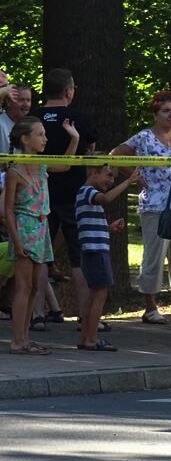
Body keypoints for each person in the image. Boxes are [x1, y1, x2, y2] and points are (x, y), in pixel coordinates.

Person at [3, 115, 79, 355]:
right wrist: (16, 240)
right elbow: (7, 210)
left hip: (41, 228)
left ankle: (25, 338)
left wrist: (74, 138)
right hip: (25, 228)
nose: (45, 139)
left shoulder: (43, 164)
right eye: (40, 134)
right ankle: (17, 340)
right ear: (25, 139)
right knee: (23, 287)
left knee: (36, 287)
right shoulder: (15, 170)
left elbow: (66, 164)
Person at [30, 69, 98, 329]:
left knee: (39, 256)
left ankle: (36, 315)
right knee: (78, 257)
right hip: (73, 195)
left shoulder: (32, 118)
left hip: (38, 195)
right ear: (68, 91)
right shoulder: (79, 118)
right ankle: (85, 317)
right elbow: (91, 148)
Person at [111, 90, 171, 324]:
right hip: (154, 204)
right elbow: (115, 155)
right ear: (156, 114)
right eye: (166, 111)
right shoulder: (144, 137)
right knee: (154, 255)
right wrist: (134, 176)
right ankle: (150, 307)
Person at [74, 162, 139, 351]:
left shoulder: (86, 194)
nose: (111, 181)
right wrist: (128, 182)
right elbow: (105, 199)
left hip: (95, 248)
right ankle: (91, 339)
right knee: (99, 295)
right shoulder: (87, 191)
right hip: (95, 251)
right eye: (108, 175)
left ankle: (86, 337)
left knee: (95, 295)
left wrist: (108, 228)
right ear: (94, 172)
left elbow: (88, 224)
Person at [0, 83, 32, 155]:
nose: (26, 104)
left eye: (28, 100)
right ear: (8, 102)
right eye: (21, 100)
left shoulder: (29, 126)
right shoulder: (1, 124)